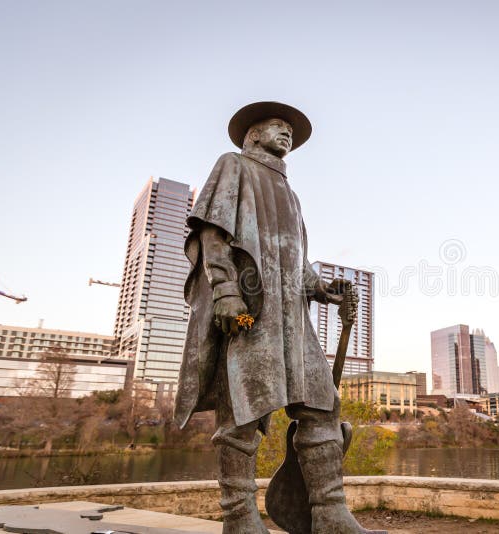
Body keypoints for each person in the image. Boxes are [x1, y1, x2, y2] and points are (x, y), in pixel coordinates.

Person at [174, 102, 376, 533]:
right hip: (252, 311)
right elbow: (212, 233)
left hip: (294, 320)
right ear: (252, 134)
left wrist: (324, 289)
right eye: (276, 126)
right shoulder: (234, 166)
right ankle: (240, 518)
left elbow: (294, 259)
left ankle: (329, 513)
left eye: (289, 129)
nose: (285, 133)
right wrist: (226, 291)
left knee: (322, 407)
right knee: (241, 416)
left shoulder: (290, 193)